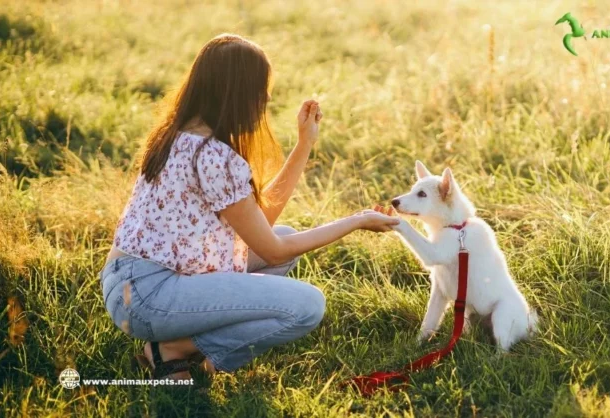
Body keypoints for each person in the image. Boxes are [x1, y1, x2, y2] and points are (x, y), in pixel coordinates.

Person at [100, 34, 399, 380]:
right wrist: (357, 220)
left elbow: (261, 228)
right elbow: (270, 252)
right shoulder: (212, 156)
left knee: (288, 241)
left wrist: (304, 145)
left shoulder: (177, 135)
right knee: (307, 306)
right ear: (239, 95)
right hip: (148, 298)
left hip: (129, 284)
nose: (264, 104)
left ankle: (174, 345)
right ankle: (173, 350)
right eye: (261, 96)